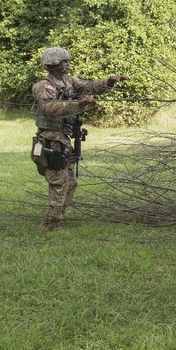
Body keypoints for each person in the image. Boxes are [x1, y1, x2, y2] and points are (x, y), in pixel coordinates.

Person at [31, 47, 129, 231]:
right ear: (53, 65)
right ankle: (50, 225)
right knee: (59, 183)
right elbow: (50, 108)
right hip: (51, 139)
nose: (67, 64)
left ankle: (57, 216)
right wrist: (78, 104)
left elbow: (90, 86)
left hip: (64, 139)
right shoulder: (43, 86)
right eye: (64, 61)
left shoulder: (69, 82)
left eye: (67, 61)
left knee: (71, 182)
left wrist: (110, 81)